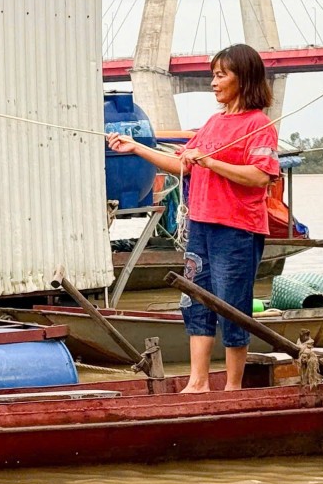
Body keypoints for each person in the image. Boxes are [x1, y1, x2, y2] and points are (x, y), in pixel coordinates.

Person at [107, 43, 279, 393]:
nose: (213, 83)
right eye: (213, 75)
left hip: (236, 229)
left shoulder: (259, 125)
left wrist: (212, 162)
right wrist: (137, 148)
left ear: (243, 78)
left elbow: (261, 176)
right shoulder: (213, 123)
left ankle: (233, 386)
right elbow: (184, 165)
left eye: (221, 75)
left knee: (233, 306)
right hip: (201, 224)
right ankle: (197, 382)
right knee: (195, 301)